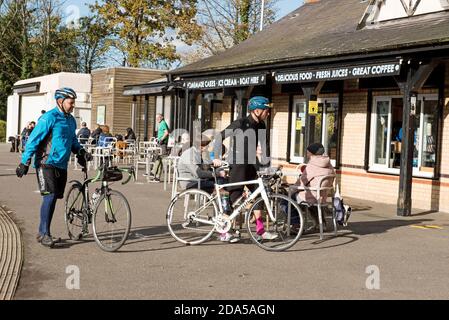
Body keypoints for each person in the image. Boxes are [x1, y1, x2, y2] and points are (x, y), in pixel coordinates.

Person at [15, 87, 92, 248]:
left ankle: (43, 232)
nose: (73, 105)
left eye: (73, 102)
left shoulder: (71, 120)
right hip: (45, 163)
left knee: (55, 198)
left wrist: (80, 151)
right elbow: (33, 141)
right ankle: (44, 234)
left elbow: (72, 141)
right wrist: (24, 162)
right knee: (49, 196)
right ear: (60, 101)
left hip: (61, 164)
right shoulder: (48, 118)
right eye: (71, 102)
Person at [212, 96, 278, 242]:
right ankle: (224, 231)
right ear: (257, 110)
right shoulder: (241, 123)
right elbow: (219, 136)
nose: (268, 112)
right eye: (266, 109)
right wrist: (216, 156)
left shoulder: (261, 125)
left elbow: (265, 146)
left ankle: (260, 230)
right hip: (238, 164)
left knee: (259, 195)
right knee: (234, 198)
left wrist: (266, 167)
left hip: (252, 164)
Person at [293, 142, 335, 232]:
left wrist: (291, 188)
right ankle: (320, 224)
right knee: (311, 201)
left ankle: (296, 225)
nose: (307, 154)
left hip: (312, 195)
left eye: (308, 152)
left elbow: (301, 182)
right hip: (322, 196)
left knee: (289, 199)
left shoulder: (312, 165)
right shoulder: (329, 164)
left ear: (312, 153)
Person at [147, 114, 170, 182]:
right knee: (159, 158)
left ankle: (153, 172)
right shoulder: (161, 123)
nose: (157, 119)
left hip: (162, 144)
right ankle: (156, 176)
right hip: (161, 143)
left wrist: (161, 140)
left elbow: (166, 133)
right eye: (156, 117)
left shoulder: (163, 123)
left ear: (162, 117)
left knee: (159, 158)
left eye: (158, 117)